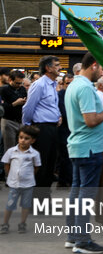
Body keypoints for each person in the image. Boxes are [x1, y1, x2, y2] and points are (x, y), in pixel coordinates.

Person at [64, 53, 103, 253]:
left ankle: (73, 237)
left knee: (77, 192)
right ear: (94, 66)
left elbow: (85, 113)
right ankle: (82, 240)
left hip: (80, 146)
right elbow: (90, 120)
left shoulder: (75, 85)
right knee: (85, 195)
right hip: (90, 147)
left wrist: (102, 107)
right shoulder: (86, 87)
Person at [22, 56, 62, 201]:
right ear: (48, 68)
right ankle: (36, 201)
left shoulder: (53, 84)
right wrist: (27, 127)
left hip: (52, 128)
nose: (60, 67)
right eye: (57, 65)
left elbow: (51, 105)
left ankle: (45, 199)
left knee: (50, 165)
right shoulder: (39, 85)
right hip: (41, 128)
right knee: (41, 165)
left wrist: (58, 116)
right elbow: (29, 107)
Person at [0, 125, 41, 234]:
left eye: (26, 138)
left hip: (28, 185)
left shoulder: (34, 154)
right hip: (14, 184)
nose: (22, 140)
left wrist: (29, 176)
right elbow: (7, 164)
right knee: (10, 205)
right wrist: (10, 175)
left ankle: (22, 223)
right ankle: (5, 224)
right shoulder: (11, 151)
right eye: (21, 137)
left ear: (33, 140)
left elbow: (36, 167)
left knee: (25, 205)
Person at [1, 70, 27, 151]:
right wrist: (15, 103)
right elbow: (2, 108)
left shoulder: (22, 89)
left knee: (22, 147)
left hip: (20, 121)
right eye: (17, 83)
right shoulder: (3, 90)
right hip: (9, 121)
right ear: (10, 80)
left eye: (21, 83)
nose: (19, 85)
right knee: (9, 149)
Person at [56, 73, 75, 188]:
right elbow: (64, 113)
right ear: (63, 84)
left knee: (69, 156)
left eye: (72, 83)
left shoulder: (75, 94)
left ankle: (64, 180)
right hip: (63, 129)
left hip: (73, 129)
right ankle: (65, 180)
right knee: (65, 156)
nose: (70, 85)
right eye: (67, 83)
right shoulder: (60, 95)